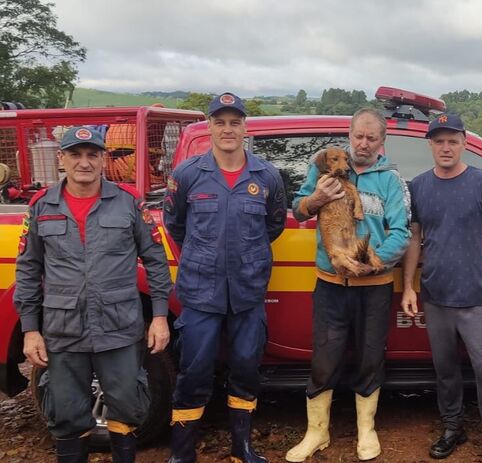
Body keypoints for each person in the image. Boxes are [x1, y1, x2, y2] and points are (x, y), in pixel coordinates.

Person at [14, 126, 172, 463]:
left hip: (119, 328)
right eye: (75, 154)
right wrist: (30, 329)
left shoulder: (129, 203)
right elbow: (28, 269)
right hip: (64, 329)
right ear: (62, 159)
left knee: (128, 408)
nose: (84, 162)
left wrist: (159, 317)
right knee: (67, 414)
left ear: (103, 159)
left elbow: (156, 260)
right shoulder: (42, 206)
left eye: (92, 154)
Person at [164, 92, 286, 463]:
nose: (228, 129)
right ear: (211, 126)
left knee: (247, 367)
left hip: (248, 292)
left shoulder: (266, 176)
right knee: (194, 370)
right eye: (220, 122)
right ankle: (182, 453)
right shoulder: (187, 175)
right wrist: (208, 257)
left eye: (235, 122)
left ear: (245, 128)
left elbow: (274, 225)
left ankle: (242, 446)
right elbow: (176, 225)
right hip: (201, 292)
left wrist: (243, 256)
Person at [285, 108, 411, 462]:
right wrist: (317, 199)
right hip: (330, 282)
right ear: (350, 134)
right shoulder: (323, 168)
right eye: (358, 136)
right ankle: (316, 432)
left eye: (372, 138)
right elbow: (298, 210)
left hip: (374, 285)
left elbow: (402, 231)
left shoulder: (391, 180)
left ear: (382, 142)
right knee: (324, 358)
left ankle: (366, 430)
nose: (364, 144)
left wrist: (374, 262)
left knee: (371, 356)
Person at [401, 113, 482, 463]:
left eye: (453, 140)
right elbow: (415, 239)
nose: (446, 147)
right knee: (445, 370)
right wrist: (408, 286)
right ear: (430, 145)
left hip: (478, 297)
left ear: (464, 142)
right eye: (439, 141)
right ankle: (452, 427)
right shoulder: (418, 186)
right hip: (435, 296)